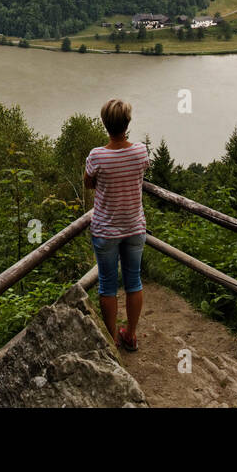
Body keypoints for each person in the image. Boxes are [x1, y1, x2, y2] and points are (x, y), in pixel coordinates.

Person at [83, 98, 148, 352]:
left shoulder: (97, 156)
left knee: (107, 285)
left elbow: (89, 183)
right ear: (127, 123)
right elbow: (141, 172)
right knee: (134, 282)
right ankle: (130, 335)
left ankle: (110, 340)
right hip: (134, 226)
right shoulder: (140, 151)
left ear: (105, 124)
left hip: (106, 230)